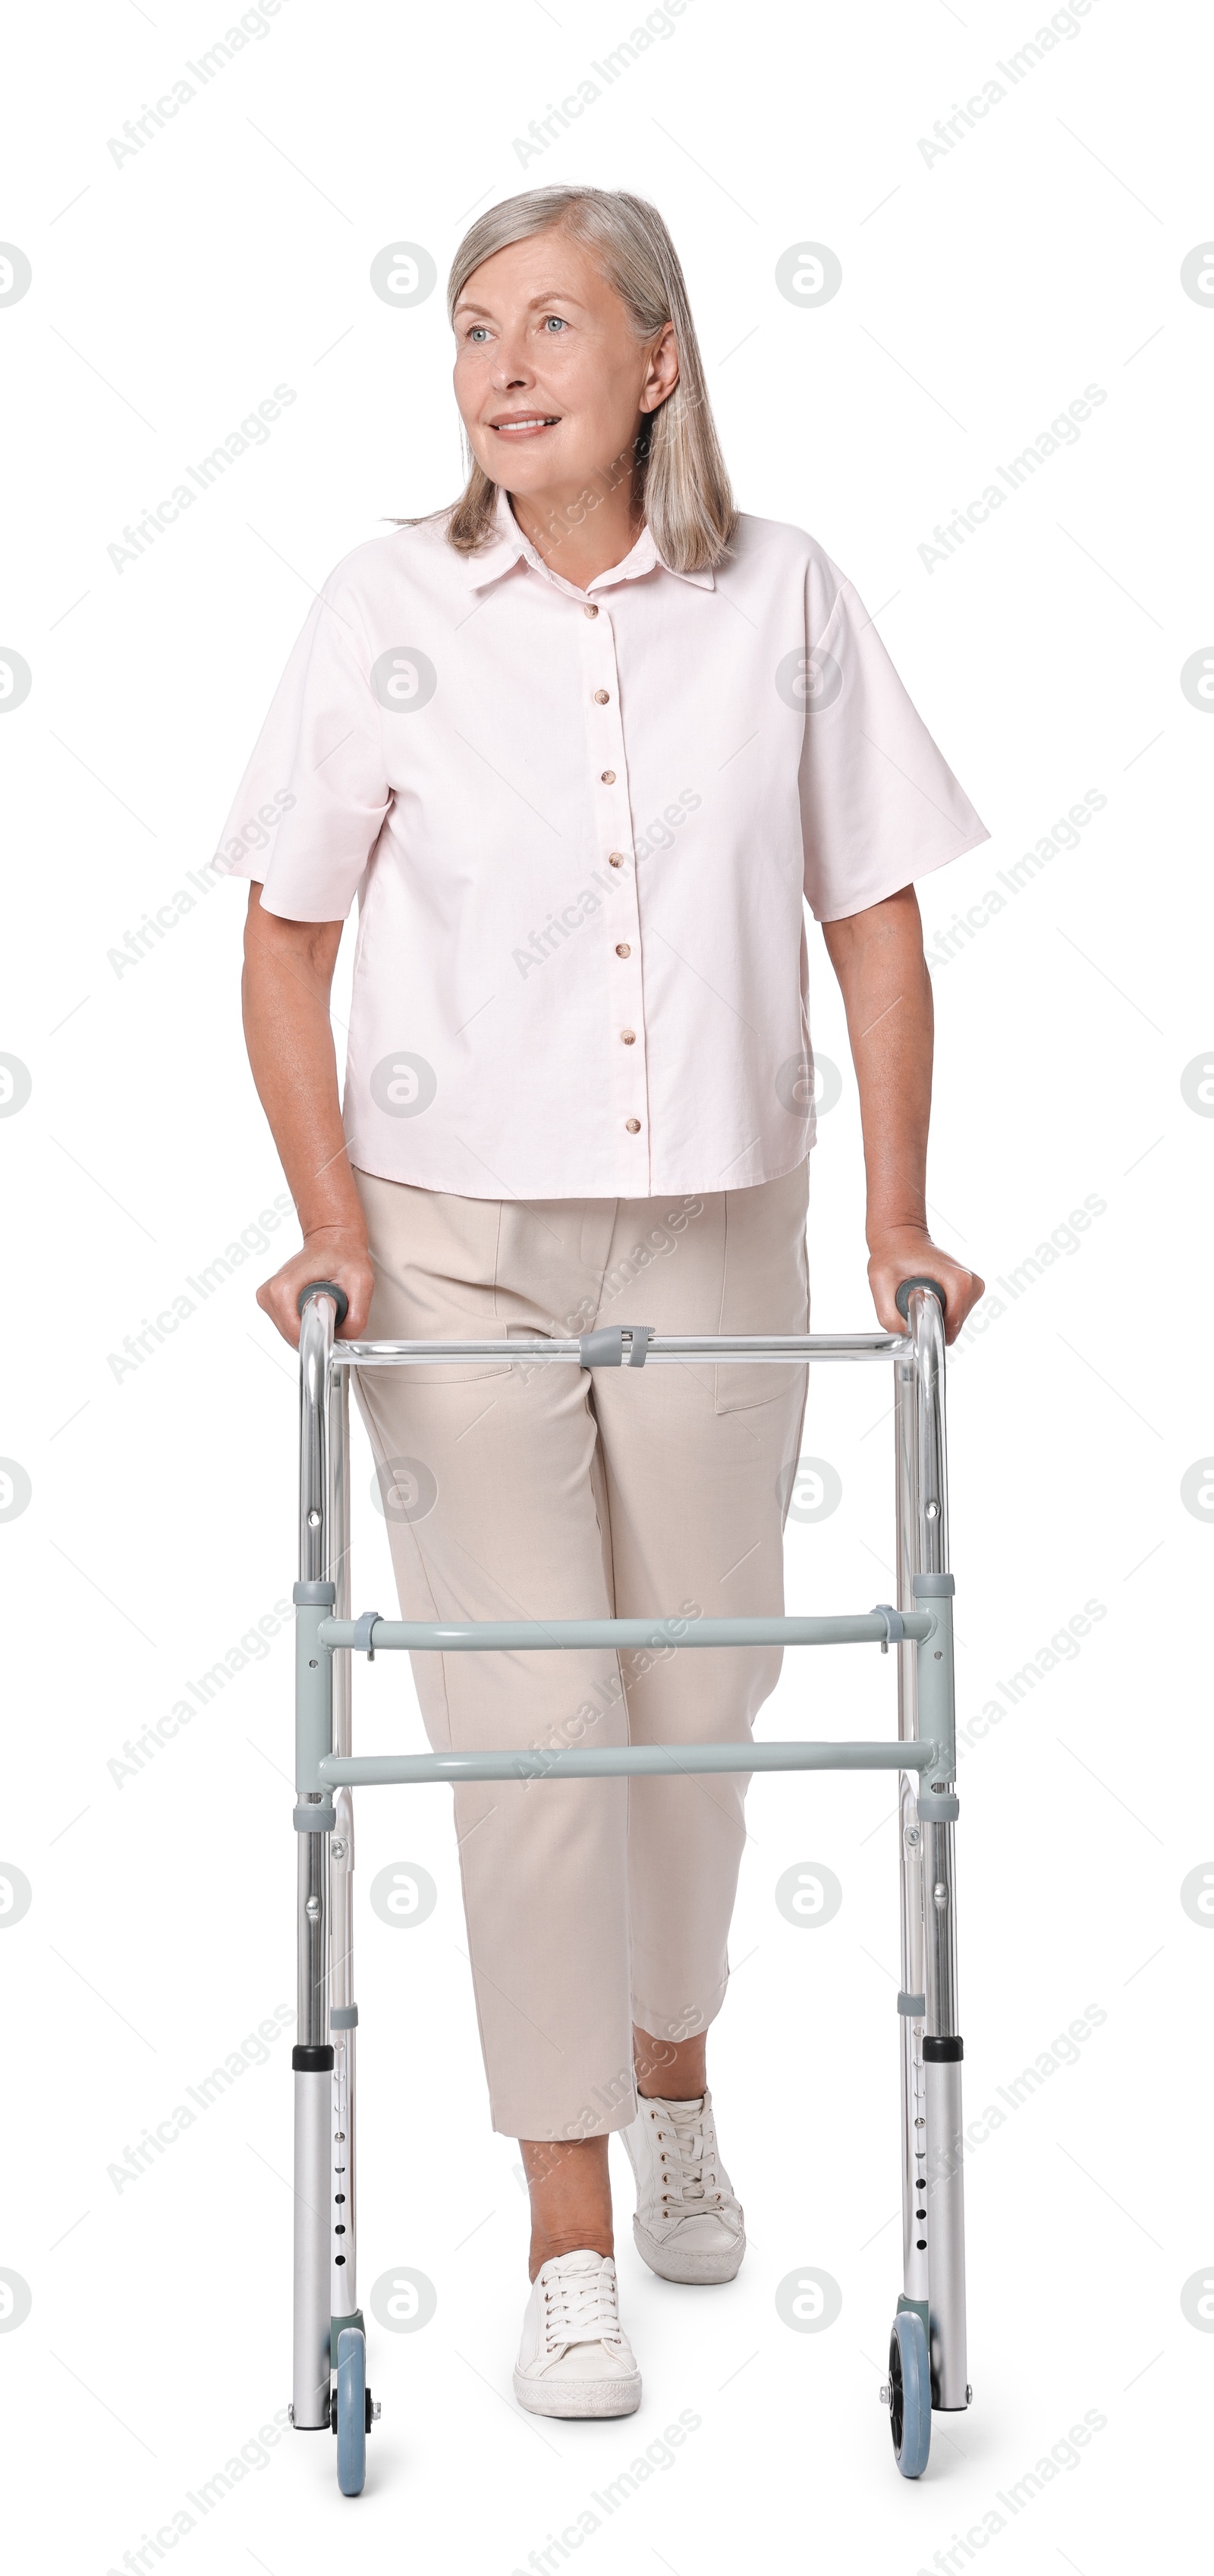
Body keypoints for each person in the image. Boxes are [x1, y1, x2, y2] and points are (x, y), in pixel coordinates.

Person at [224, 182, 986, 2423]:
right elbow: (285, 938)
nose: (503, 363)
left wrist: (903, 1219)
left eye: (553, 321)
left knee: (704, 1701)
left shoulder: (789, 600)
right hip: (454, 1238)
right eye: (472, 328)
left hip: (726, 1228)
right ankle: (566, 2224)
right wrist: (329, 1217)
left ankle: (675, 2079)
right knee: (532, 1723)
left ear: (660, 359)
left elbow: (876, 915)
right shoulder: (386, 605)